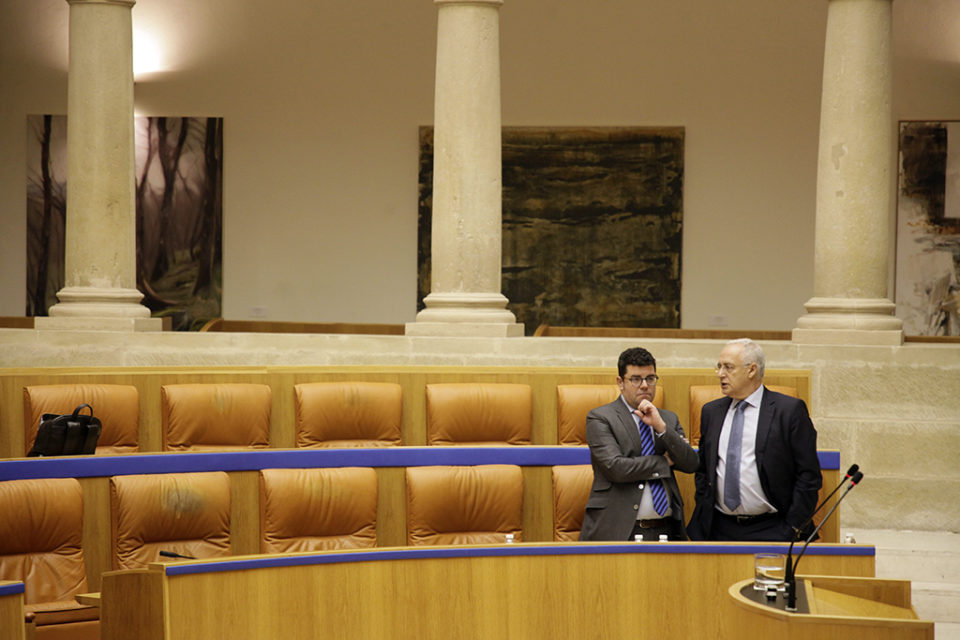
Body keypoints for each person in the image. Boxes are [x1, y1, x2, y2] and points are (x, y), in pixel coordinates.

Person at [686, 338, 822, 542]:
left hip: (773, 527)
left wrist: (792, 527)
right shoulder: (711, 412)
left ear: (751, 370)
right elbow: (704, 469)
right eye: (719, 366)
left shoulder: (788, 411)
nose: (720, 374)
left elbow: (809, 476)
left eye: (728, 367)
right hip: (718, 528)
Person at [579, 347, 699, 541]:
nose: (644, 386)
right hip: (619, 530)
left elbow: (691, 463)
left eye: (650, 378)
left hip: (667, 529)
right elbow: (616, 468)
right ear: (620, 382)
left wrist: (661, 427)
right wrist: (664, 462)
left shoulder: (668, 419)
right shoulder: (601, 418)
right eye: (636, 379)